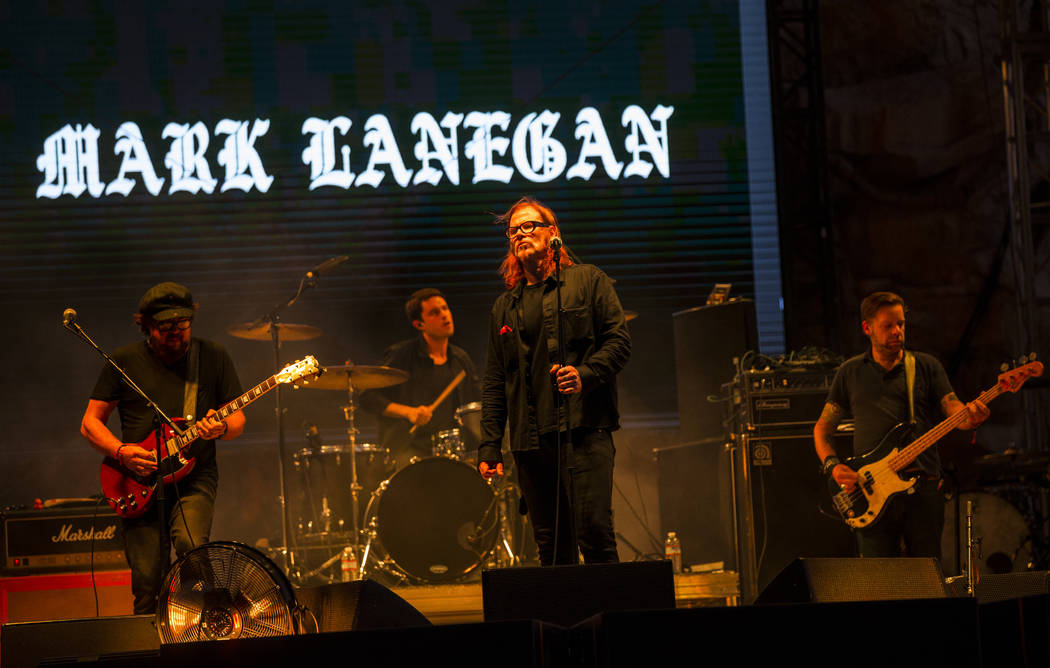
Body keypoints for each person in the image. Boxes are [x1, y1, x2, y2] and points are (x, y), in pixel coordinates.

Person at [478, 196, 631, 566]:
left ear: (553, 233)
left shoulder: (589, 281)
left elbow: (619, 342)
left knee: (594, 535)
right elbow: (496, 380)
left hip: (584, 431)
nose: (519, 234)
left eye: (529, 225)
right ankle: (566, 624)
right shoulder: (505, 306)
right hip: (531, 444)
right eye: (513, 230)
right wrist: (489, 446)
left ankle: (610, 621)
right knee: (551, 548)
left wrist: (585, 374)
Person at [80, 282, 245, 614]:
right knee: (147, 581)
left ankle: (200, 619)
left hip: (194, 473)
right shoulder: (124, 360)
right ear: (146, 324)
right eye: (166, 325)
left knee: (191, 545)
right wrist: (121, 452)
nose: (176, 332)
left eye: (182, 324)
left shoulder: (211, 355)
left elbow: (238, 418)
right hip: (137, 480)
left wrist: (222, 426)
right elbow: (90, 423)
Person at [813, 291, 989, 559]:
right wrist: (833, 466)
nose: (897, 331)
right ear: (867, 328)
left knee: (927, 578)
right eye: (888, 326)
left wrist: (969, 416)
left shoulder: (926, 366)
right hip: (870, 489)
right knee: (881, 584)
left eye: (901, 324)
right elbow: (822, 430)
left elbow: (953, 409)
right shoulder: (850, 372)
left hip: (923, 490)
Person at [360, 288, 480, 469]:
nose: (444, 315)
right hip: (410, 450)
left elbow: (476, 403)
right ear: (419, 324)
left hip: (455, 451)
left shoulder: (460, 359)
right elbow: (368, 397)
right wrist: (409, 412)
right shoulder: (401, 356)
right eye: (434, 313)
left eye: (445, 308)